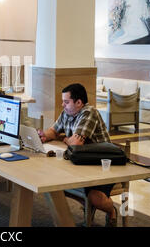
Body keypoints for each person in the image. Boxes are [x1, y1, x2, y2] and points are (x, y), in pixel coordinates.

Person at [37, 83, 117, 227]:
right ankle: (86, 205)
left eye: (66, 102)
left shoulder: (89, 112)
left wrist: (65, 139)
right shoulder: (67, 113)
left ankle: (112, 211)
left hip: (102, 166)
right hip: (81, 164)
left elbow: (75, 144)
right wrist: (44, 135)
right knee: (54, 184)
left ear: (79, 102)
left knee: (94, 197)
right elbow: (54, 131)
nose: (63, 105)